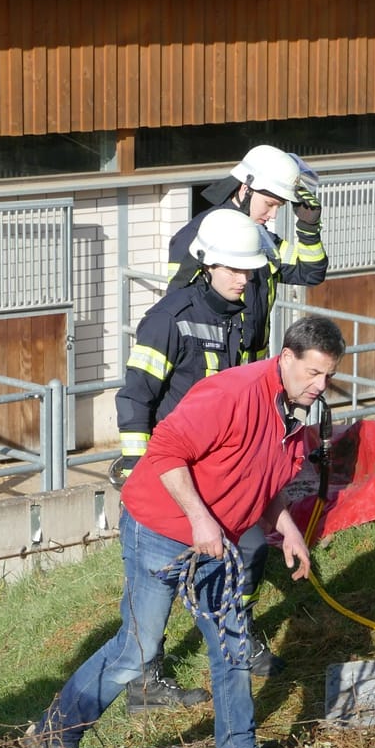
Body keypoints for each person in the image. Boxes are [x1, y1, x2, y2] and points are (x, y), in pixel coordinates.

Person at [28, 317, 345, 748]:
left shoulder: (295, 411)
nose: (321, 385)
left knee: (233, 648)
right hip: (160, 530)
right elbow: (166, 452)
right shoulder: (232, 394)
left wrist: (288, 528)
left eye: (329, 376)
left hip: (219, 544)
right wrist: (200, 519)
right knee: (136, 651)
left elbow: (262, 480)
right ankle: (54, 736)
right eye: (313, 373)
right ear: (286, 357)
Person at [112, 207, 269, 706]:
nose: (245, 278)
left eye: (249, 269)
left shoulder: (243, 314)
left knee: (250, 550)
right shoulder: (168, 320)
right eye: (235, 269)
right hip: (172, 470)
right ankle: (142, 677)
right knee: (153, 582)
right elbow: (136, 398)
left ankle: (236, 641)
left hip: (224, 466)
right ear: (206, 263)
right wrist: (141, 468)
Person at [168, 145, 330, 363]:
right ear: (246, 190)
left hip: (251, 370)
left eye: (279, 207)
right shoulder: (196, 236)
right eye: (269, 204)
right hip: (209, 372)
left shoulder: (263, 239)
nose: (272, 215)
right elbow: (176, 307)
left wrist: (308, 230)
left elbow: (310, 272)